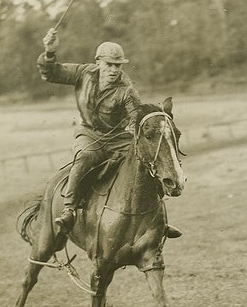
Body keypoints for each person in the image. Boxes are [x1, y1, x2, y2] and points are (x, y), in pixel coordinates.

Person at [37, 28, 181, 238]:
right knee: (84, 158)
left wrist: (142, 126)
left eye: (118, 65)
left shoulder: (126, 89)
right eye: (109, 65)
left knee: (141, 163)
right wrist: (49, 51)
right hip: (89, 134)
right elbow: (51, 73)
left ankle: (160, 219)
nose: (114, 70)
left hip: (118, 140)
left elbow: (136, 116)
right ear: (98, 62)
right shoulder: (83, 73)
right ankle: (69, 210)